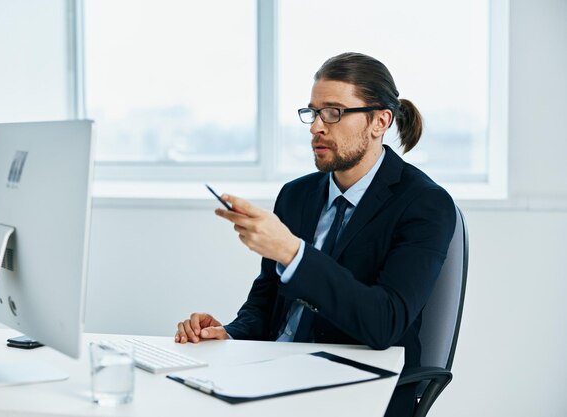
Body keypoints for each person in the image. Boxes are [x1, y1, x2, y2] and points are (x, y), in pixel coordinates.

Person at [174, 52, 456, 417]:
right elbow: (266, 304)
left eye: (334, 112)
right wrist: (229, 334)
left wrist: (294, 253)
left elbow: (384, 323)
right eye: (313, 112)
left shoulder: (424, 204)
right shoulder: (297, 195)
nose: (316, 127)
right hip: (273, 378)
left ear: (379, 121)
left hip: (353, 390)